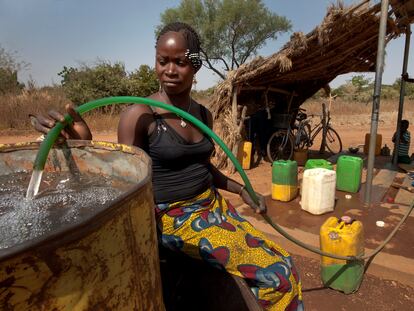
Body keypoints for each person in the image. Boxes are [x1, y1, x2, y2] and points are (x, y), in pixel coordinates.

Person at [32, 22, 303, 310]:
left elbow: (203, 168)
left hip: (213, 208)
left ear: (196, 67)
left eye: (181, 62)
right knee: (279, 277)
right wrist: (83, 145)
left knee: (284, 261)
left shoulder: (203, 115)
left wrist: (241, 190)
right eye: (163, 61)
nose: (170, 70)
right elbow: (124, 180)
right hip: (173, 219)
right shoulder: (139, 115)